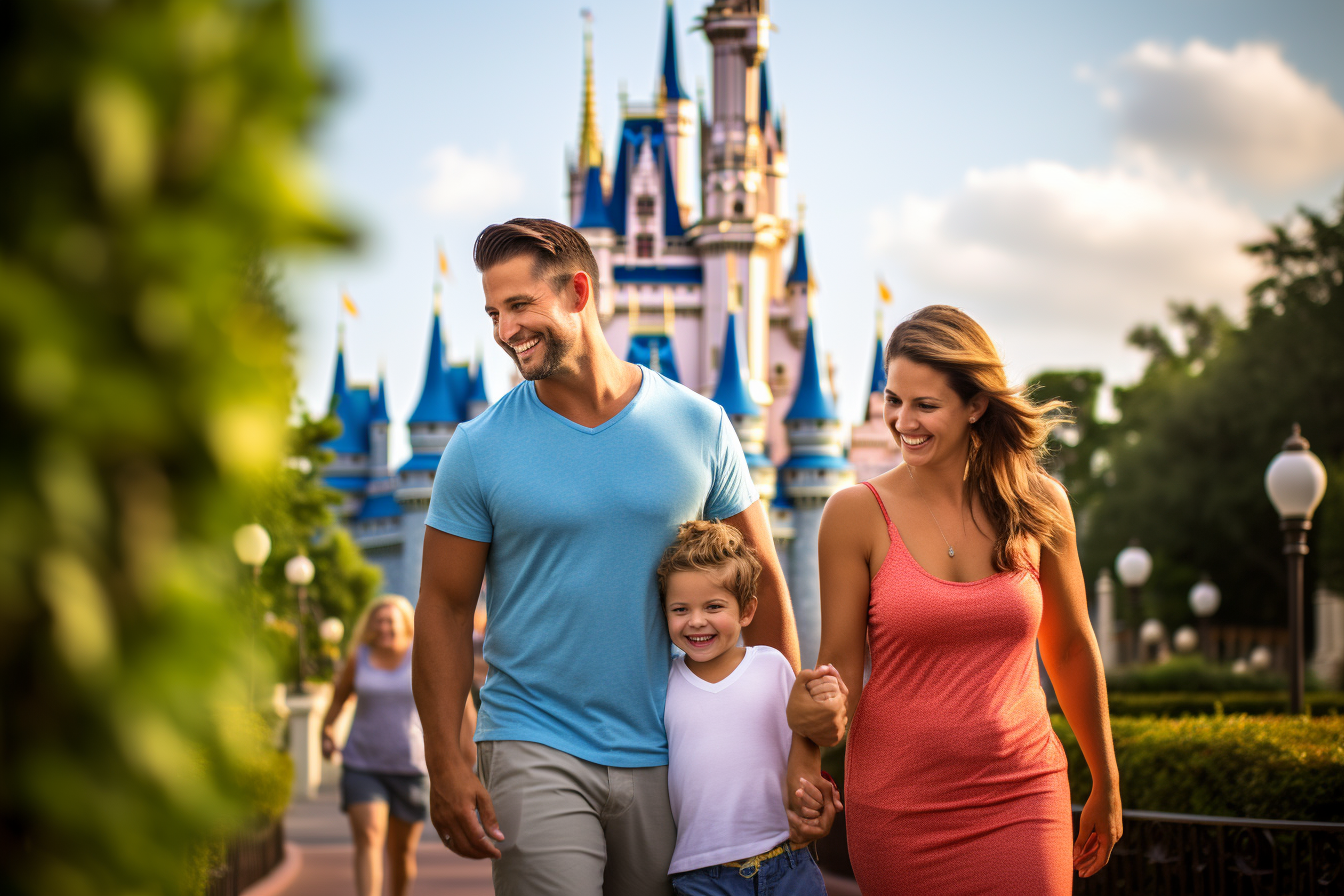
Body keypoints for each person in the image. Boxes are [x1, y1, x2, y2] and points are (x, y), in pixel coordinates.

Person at [412, 218, 830, 896]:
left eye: (519, 306)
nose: (502, 330)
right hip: (531, 739)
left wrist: (798, 756)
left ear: (578, 291)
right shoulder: (477, 447)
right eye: (493, 312)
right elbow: (444, 606)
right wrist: (446, 762)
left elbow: (766, 590)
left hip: (673, 751)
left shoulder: (701, 425)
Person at [787, 305, 1122, 894]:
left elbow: (1069, 647)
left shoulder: (1041, 503)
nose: (901, 421)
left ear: (976, 405)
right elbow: (839, 664)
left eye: (925, 404)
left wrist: (1106, 779)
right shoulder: (854, 513)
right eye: (893, 400)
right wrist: (807, 764)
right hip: (898, 806)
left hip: (1023, 791)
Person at [658, 520, 835, 896]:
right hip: (701, 876)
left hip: (787, 862)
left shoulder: (771, 666)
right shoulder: (664, 683)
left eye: (713, 606)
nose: (696, 621)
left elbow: (804, 741)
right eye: (680, 609)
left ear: (746, 611)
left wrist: (817, 797)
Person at [320, 595, 476, 896]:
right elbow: (338, 699)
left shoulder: (422, 656)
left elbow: (460, 696)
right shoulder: (359, 658)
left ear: (405, 624)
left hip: (411, 767)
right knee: (369, 836)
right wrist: (326, 732)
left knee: (401, 854)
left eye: (390, 620)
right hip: (362, 765)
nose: (384, 626)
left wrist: (466, 749)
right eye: (378, 620)